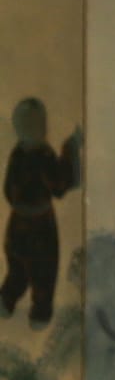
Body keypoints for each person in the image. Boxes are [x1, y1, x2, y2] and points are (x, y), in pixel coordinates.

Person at [3, 97, 79, 325]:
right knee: (43, 274)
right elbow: (60, 186)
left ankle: (5, 301)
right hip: (40, 226)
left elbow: (7, 190)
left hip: (16, 225)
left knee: (17, 269)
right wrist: (70, 149)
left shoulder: (17, 153)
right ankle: (40, 315)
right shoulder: (45, 156)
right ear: (42, 127)